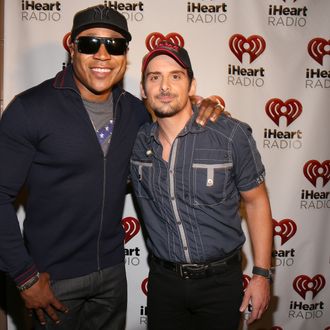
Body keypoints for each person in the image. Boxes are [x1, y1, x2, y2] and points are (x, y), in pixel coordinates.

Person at [0, 4, 223, 330]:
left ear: (125, 54)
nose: (103, 54)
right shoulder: (30, 108)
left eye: (115, 45)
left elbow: (176, 117)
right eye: (90, 44)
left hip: (112, 276)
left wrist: (206, 107)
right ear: (72, 48)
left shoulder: (136, 112)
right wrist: (25, 278)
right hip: (50, 279)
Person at [130, 41, 273, 330]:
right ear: (144, 90)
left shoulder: (231, 136)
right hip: (164, 283)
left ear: (192, 86)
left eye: (176, 76)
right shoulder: (135, 142)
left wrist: (261, 274)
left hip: (220, 283)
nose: (165, 86)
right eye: (154, 77)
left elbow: (257, 202)